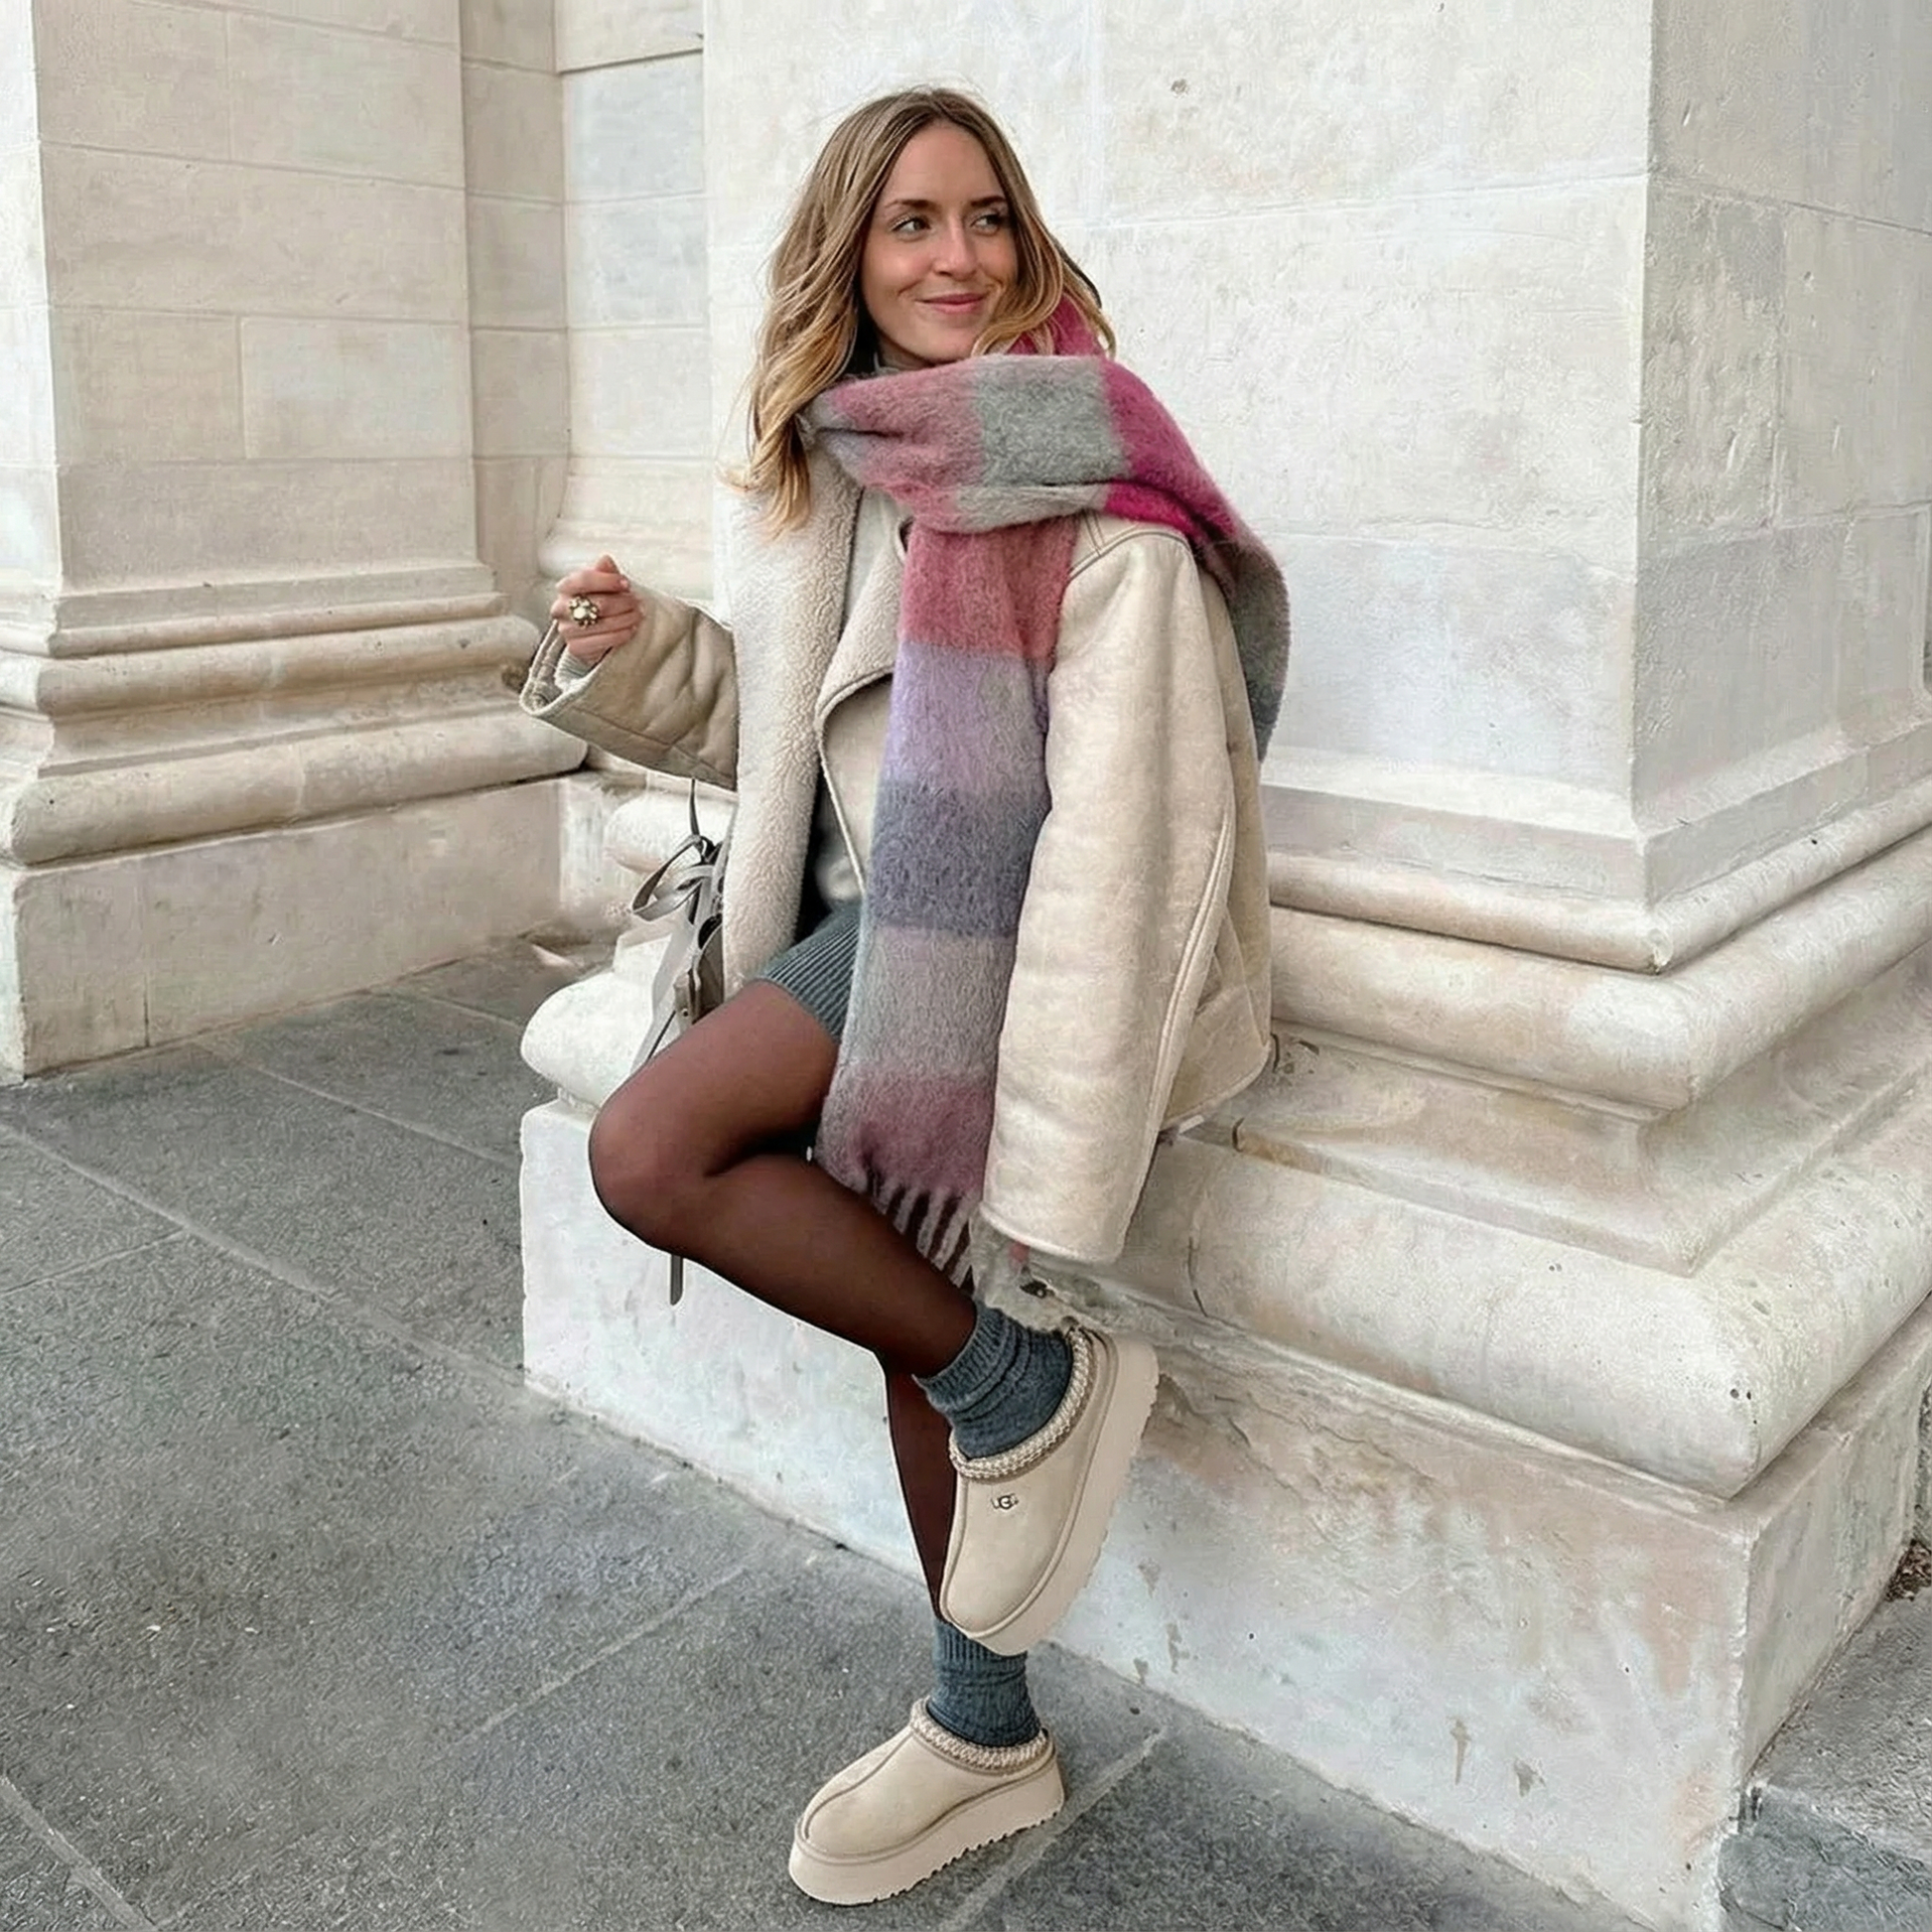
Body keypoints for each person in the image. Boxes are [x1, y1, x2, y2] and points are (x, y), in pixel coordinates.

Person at [522, 86, 1287, 1906]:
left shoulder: (1098, 494)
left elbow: (1125, 856)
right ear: (847, 256)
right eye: (912, 223)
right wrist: (637, 655)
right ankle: (982, 1727)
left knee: (654, 1151)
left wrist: (1057, 1159)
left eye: (986, 217)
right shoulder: (839, 462)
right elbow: (798, 731)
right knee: (911, 1321)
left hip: (981, 945)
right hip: (859, 918)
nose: (958, 258)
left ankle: (1033, 1385)